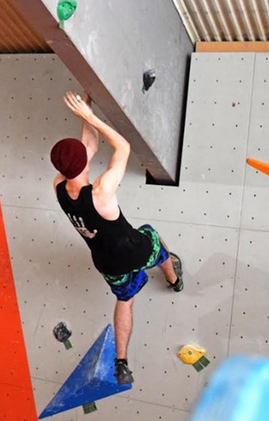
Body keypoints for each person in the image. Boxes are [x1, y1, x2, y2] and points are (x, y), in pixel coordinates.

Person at [51, 91, 183, 385]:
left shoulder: (59, 185)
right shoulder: (101, 191)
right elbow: (122, 148)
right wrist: (91, 117)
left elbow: (88, 146)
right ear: (83, 162)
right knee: (156, 243)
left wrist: (86, 106)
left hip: (106, 263)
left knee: (125, 301)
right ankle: (174, 280)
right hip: (134, 250)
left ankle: (121, 361)